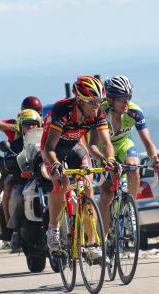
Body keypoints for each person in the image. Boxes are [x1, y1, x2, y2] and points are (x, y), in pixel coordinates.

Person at [41, 76, 116, 257]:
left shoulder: (98, 113)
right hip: (52, 149)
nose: (97, 106)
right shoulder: (63, 110)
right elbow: (50, 147)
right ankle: (53, 228)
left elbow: (105, 143)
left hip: (76, 147)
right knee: (61, 183)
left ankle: (91, 244)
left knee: (88, 189)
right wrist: (57, 165)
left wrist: (110, 159)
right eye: (92, 102)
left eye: (99, 101)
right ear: (80, 100)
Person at [91, 75, 159, 234]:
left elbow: (147, 142)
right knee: (106, 195)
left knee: (134, 168)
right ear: (110, 99)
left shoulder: (135, 112)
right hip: (103, 149)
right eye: (122, 98)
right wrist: (103, 160)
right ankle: (103, 236)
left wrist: (155, 158)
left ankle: (130, 209)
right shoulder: (100, 112)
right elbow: (93, 144)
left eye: (128, 97)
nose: (126, 102)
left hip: (124, 144)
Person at [0, 96, 43, 240]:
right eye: (27, 123)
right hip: (18, 167)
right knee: (8, 185)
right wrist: (14, 126)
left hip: (42, 169)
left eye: (37, 112)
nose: (30, 126)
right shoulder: (17, 126)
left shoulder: (45, 127)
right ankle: (9, 229)